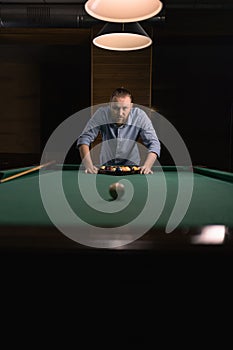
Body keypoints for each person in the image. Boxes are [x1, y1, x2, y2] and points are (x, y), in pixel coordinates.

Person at [77, 87, 161, 174]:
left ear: (131, 106)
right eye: (116, 108)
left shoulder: (140, 116)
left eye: (125, 108)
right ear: (110, 105)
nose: (120, 113)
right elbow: (84, 138)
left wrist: (147, 165)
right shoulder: (101, 113)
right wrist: (88, 165)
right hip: (106, 167)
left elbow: (154, 143)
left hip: (132, 168)